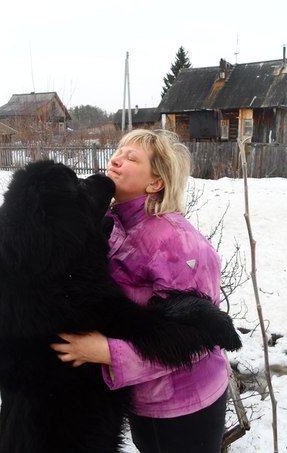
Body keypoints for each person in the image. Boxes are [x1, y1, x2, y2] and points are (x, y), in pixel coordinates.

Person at [51, 129, 230, 453]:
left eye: (131, 157)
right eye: (117, 152)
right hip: (141, 398)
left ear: (155, 182)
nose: (116, 159)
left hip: (185, 406)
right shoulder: (114, 224)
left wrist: (104, 352)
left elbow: (194, 340)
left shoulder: (177, 244)